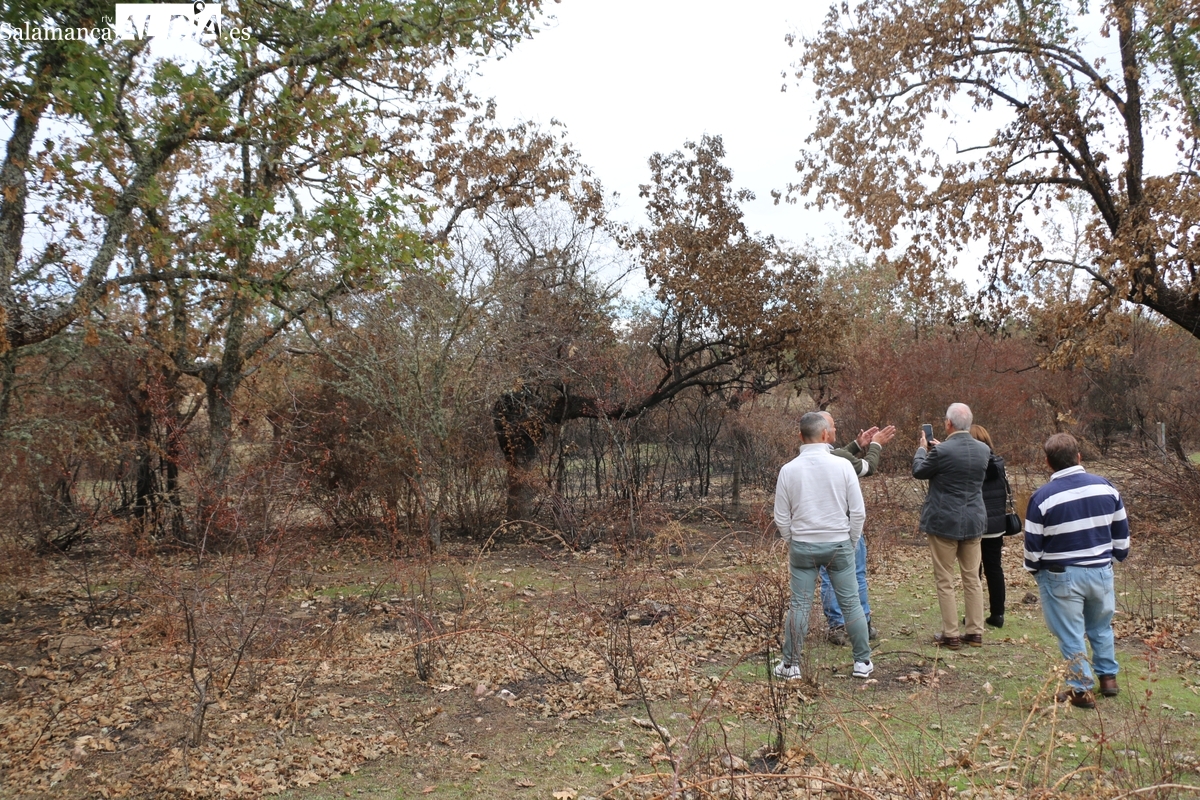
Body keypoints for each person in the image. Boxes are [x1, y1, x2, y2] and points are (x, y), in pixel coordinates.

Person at [1025, 433, 1129, 709]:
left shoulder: (1042, 498)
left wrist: (1034, 570)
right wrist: (1113, 558)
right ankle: (1108, 678)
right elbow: (1121, 535)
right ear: (1079, 456)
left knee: (1070, 632)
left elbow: (1032, 545)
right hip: (1100, 570)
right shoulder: (1107, 488)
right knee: (1101, 625)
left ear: (1048, 462)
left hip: (1061, 574)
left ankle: (1081, 690)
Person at [773, 411, 874, 680]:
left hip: (803, 546)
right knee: (851, 604)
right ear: (826, 435)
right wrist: (851, 541)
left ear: (800, 436)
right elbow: (858, 512)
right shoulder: (842, 466)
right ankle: (862, 662)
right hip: (838, 543)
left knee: (799, 605)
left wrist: (792, 540)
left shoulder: (788, 470)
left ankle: (790, 665)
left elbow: (781, 516)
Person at [913, 403, 990, 650]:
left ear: (948, 423)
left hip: (944, 521)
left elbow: (919, 471)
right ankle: (975, 632)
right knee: (972, 578)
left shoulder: (941, 451)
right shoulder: (983, 450)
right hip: (973, 520)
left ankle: (951, 634)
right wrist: (938, 451)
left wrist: (922, 449)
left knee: (945, 578)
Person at [819, 416, 897, 645]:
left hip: (820, 529)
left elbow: (837, 454)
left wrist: (856, 445)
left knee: (829, 578)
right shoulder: (839, 458)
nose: (836, 428)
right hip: (844, 528)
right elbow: (867, 468)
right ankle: (863, 623)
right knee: (856, 575)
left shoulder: (808, 458)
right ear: (824, 432)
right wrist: (876, 445)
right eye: (833, 426)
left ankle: (837, 627)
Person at [971, 424, 1009, 628]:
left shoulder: (971, 465)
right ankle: (998, 614)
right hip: (996, 524)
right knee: (994, 569)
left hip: (975, 524)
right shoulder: (999, 464)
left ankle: (973, 615)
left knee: (973, 571)